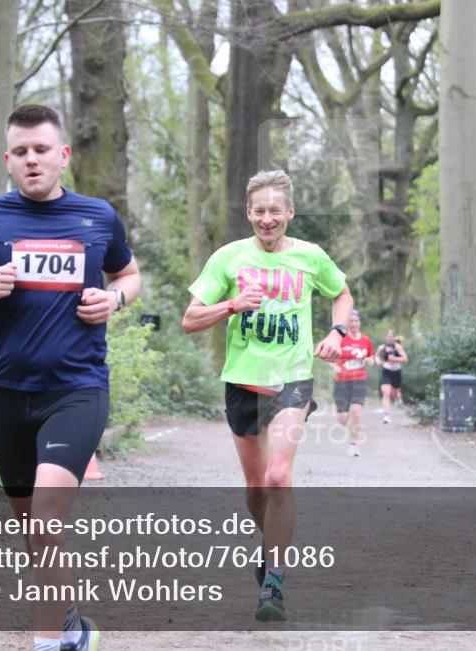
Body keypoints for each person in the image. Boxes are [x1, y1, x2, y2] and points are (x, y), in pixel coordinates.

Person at [0, 104, 141, 651]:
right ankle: (71, 626)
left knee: (47, 520)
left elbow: (129, 274)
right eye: (20, 152)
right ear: (8, 159)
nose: (31, 160)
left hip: (77, 391)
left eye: (41, 150)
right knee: (33, 530)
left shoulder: (98, 217)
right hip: (7, 397)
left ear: (62, 155)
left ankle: (47, 645)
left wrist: (114, 299)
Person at [182, 169, 353, 622]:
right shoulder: (228, 258)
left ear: (290, 212)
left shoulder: (310, 256)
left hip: (291, 380)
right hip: (243, 382)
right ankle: (272, 542)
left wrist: (336, 332)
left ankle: (274, 580)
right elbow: (190, 320)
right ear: (248, 213)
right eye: (259, 211)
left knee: (278, 477)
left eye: (275, 210)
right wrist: (232, 305)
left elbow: (342, 294)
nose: (267, 219)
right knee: (257, 487)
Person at [329, 310, 373, 456]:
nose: (353, 324)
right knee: (343, 419)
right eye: (351, 321)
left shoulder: (366, 340)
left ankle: (354, 445)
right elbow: (329, 358)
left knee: (356, 413)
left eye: (355, 321)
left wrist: (369, 360)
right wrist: (334, 366)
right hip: (341, 382)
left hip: (359, 381)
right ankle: (344, 417)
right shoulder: (341, 339)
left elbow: (371, 357)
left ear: (359, 322)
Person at [376, 329, 408, 423]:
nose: (390, 338)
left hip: (396, 373)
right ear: (386, 338)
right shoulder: (381, 348)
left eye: (391, 337)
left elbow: (405, 359)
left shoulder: (398, 347)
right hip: (386, 372)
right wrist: (378, 361)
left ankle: (398, 398)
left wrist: (394, 359)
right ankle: (386, 416)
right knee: (386, 393)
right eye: (388, 337)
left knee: (395, 394)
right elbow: (376, 355)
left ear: (393, 338)